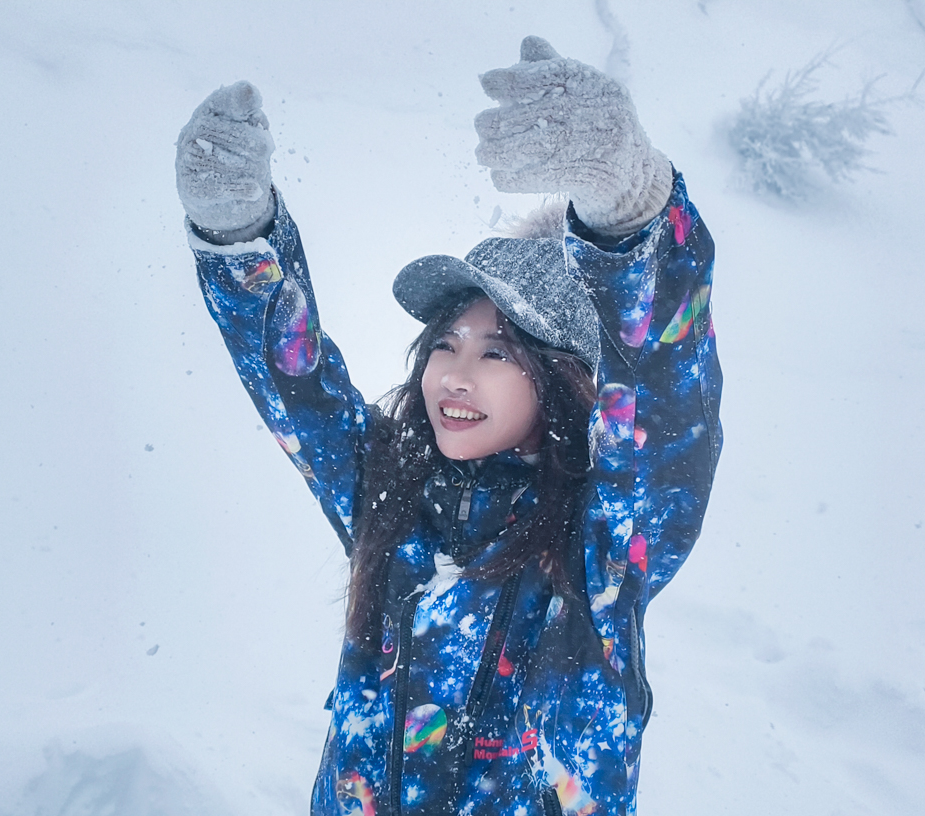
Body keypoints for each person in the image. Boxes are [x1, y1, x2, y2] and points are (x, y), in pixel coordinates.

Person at [175, 35, 722, 816]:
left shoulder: (603, 540)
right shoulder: (390, 493)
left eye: (498, 353)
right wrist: (237, 241)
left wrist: (634, 213)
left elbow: (666, 401)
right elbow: (295, 383)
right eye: (444, 345)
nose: (456, 376)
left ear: (560, 385)